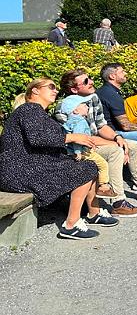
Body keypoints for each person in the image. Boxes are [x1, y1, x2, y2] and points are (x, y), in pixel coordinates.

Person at [0, 78, 118, 239]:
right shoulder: (29, 109)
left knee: (88, 164)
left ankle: (94, 212)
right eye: (51, 87)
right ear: (35, 90)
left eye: (55, 88)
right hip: (19, 171)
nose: (55, 90)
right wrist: (73, 137)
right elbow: (38, 138)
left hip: (29, 165)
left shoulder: (37, 112)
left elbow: (48, 140)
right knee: (86, 168)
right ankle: (71, 225)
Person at [58, 69, 137, 217]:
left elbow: (101, 126)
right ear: (74, 89)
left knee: (131, 144)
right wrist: (114, 144)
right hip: (79, 149)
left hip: (93, 142)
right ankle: (118, 202)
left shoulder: (93, 98)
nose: (91, 82)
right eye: (86, 81)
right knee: (116, 151)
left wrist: (116, 137)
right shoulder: (66, 107)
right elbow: (81, 138)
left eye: (90, 78)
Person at [58, 95, 118, 198]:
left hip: (72, 150)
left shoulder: (70, 121)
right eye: (84, 105)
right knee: (103, 164)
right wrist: (78, 152)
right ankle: (103, 187)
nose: (87, 107)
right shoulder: (80, 122)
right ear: (76, 111)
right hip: (83, 151)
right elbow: (78, 139)